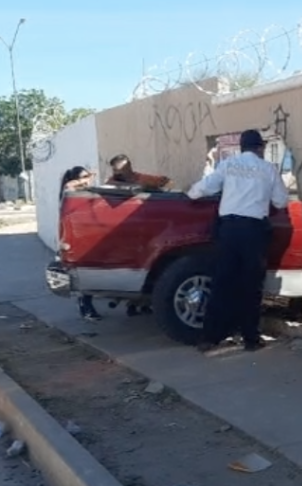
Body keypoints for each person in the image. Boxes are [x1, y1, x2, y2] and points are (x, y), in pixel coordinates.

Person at [186, 130, 289, 352]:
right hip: (254, 232)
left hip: (229, 230)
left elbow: (203, 187)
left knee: (222, 283)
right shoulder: (268, 169)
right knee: (251, 286)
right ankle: (251, 338)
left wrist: (191, 194)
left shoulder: (228, 165)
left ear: (241, 147)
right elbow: (280, 202)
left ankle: (209, 337)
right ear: (260, 148)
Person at [60, 166, 102, 321]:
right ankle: (85, 307)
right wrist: (85, 180)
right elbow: (68, 186)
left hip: (90, 234)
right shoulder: (70, 191)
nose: (88, 179)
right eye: (84, 176)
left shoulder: (87, 192)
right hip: (77, 237)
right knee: (84, 273)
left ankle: (87, 304)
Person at [107, 154, 172, 190]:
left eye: (120, 169)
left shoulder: (143, 179)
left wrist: (149, 188)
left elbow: (169, 184)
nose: (117, 173)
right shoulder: (111, 181)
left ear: (128, 167)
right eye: (114, 170)